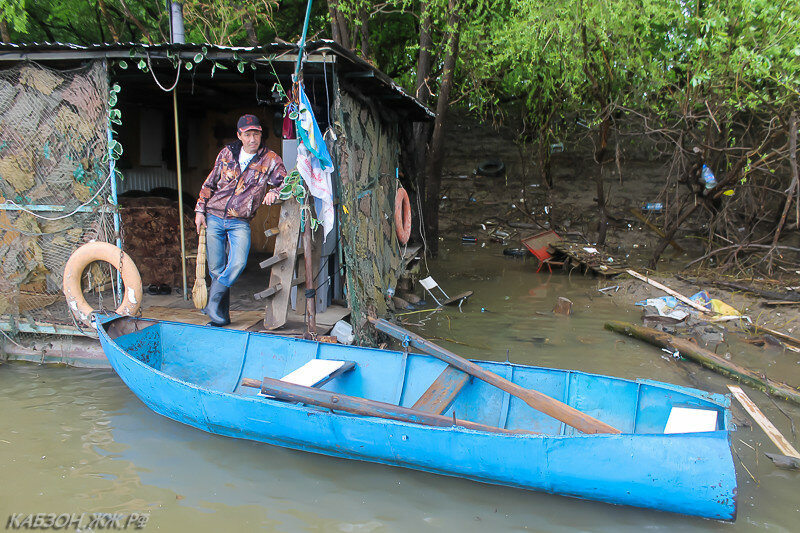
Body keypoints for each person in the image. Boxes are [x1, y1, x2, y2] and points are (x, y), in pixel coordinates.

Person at [194, 114, 286, 326]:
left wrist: (275, 192)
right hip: (214, 216)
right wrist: (200, 210)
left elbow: (286, 182)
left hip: (239, 221)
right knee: (216, 269)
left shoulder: (270, 158)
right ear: (239, 135)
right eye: (248, 134)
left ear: (261, 134)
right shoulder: (227, 153)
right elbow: (210, 183)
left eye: (256, 134)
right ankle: (220, 318)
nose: (253, 139)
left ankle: (213, 301)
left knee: (237, 263)